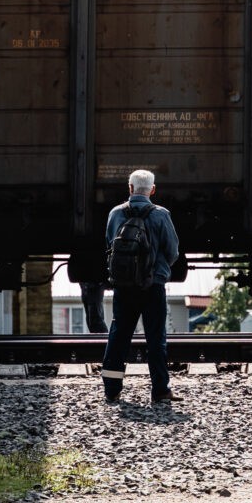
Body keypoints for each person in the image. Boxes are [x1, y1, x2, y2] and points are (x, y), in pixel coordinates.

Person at [100, 169, 183, 404]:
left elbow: (110, 245)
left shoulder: (116, 213)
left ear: (130, 188)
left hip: (124, 286)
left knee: (118, 336)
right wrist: (158, 268)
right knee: (156, 338)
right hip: (153, 285)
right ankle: (159, 390)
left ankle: (112, 390)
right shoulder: (161, 215)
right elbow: (172, 251)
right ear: (153, 190)